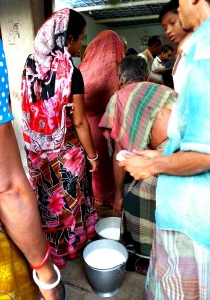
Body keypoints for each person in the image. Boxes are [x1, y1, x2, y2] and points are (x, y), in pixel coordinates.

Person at [120, 0, 210, 298]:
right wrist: (159, 154)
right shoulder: (196, 49)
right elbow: (194, 136)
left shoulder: (204, 54)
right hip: (185, 210)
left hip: (193, 216)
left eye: (172, 20)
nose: (171, 28)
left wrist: (152, 166)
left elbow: (205, 154)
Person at [0, 24, 61, 299]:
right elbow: (6, 186)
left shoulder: (30, 65)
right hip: (58, 147)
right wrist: (47, 275)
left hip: (35, 145)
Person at [21, 8, 99, 269]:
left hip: (38, 155)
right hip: (67, 153)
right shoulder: (71, 72)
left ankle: (50, 251)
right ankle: (70, 250)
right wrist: (93, 156)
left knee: (47, 202)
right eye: (80, 39)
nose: (81, 44)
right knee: (68, 200)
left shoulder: (31, 67)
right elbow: (78, 120)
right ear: (68, 39)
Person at [99, 55, 177, 274]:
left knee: (134, 201)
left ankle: (146, 260)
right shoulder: (158, 89)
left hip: (169, 150)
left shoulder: (120, 97)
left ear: (121, 80)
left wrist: (117, 198)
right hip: (189, 146)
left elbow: (119, 153)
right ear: (144, 75)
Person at [78, 30, 125, 209]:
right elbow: (117, 98)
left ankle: (94, 201)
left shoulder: (82, 69)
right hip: (98, 127)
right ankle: (105, 199)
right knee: (102, 163)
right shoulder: (110, 70)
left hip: (79, 127)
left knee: (90, 168)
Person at [159, 0, 192, 92]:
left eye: (172, 22)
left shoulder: (197, 46)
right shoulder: (181, 52)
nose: (168, 31)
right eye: (165, 28)